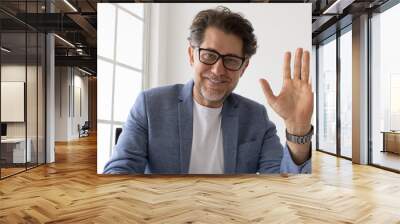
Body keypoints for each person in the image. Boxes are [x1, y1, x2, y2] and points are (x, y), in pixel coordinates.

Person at [103, 6, 313, 174]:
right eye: (209, 55)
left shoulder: (255, 117)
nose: (217, 70)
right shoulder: (150, 105)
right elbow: (119, 172)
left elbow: (282, 186)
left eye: (230, 60)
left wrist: (298, 132)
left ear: (244, 67)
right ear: (192, 55)